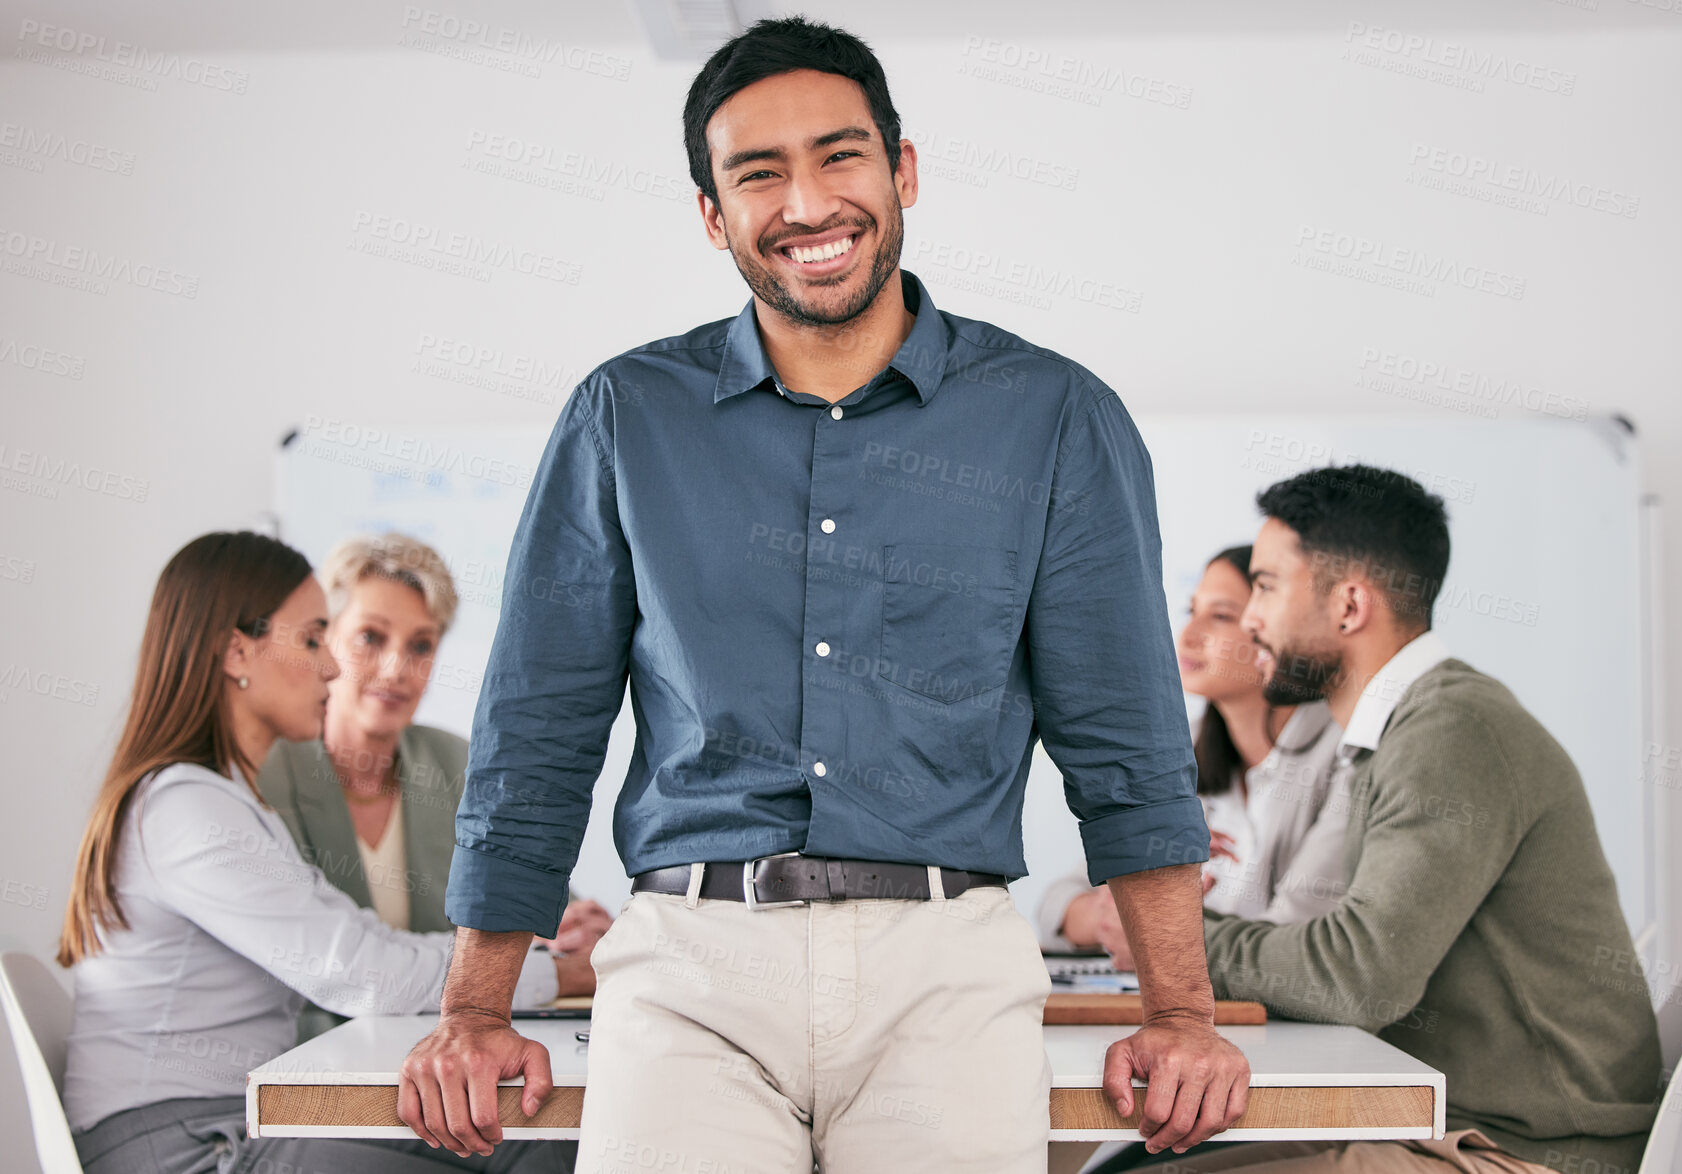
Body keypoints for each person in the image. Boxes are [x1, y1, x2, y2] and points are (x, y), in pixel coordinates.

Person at [396, 16, 1248, 1171]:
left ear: (901, 170)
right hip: (691, 962)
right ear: (713, 216)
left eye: (839, 156)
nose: (806, 203)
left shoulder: (1053, 418)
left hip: (945, 969)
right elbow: (538, 727)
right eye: (758, 174)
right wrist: (475, 1010)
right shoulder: (623, 417)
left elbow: (1125, 743)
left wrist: (1181, 1015)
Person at [1099, 465, 1663, 1173]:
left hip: (1524, 1151)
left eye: (1267, 586)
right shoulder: (1400, 732)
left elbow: (1357, 976)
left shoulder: (1453, 730)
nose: (1249, 618)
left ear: (1350, 605)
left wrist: (1173, 937)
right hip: (1438, 1120)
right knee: (1128, 1165)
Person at [57, 531, 578, 1174]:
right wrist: (562, 974)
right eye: (311, 640)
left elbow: (354, 941)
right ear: (235, 651)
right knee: (511, 1141)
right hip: (184, 1143)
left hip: (239, 1117)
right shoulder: (185, 809)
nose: (330, 666)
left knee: (533, 1135)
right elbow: (360, 969)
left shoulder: (224, 800)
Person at [257, 533, 607, 1041]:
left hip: (442, 1054)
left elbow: (542, 911)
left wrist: (579, 929)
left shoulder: (458, 763)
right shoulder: (269, 774)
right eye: (371, 638)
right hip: (309, 1066)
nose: (398, 669)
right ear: (325, 638)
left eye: (421, 645)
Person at [1037, 545, 1346, 962]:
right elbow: (1057, 905)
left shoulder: (1341, 753)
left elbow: (1300, 938)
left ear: (1272, 627)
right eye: (1191, 610)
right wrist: (1116, 914)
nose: (1186, 636)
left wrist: (1157, 924)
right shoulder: (1179, 747)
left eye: (1220, 616)